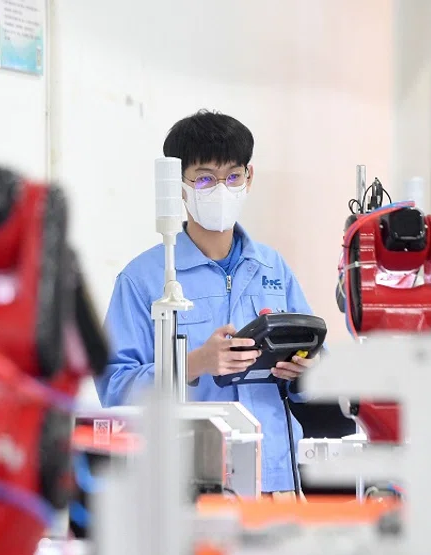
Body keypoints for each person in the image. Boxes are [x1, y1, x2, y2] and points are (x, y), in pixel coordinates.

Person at [95, 110, 319, 498]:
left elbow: (317, 376)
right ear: (179, 187)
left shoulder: (272, 268)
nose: (221, 189)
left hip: (276, 480)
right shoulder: (147, 278)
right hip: (190, 484)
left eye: (232, 176)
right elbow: (114, 388)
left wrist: (304, 371)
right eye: (205, 178)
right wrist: (196, 363)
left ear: (250, 178)